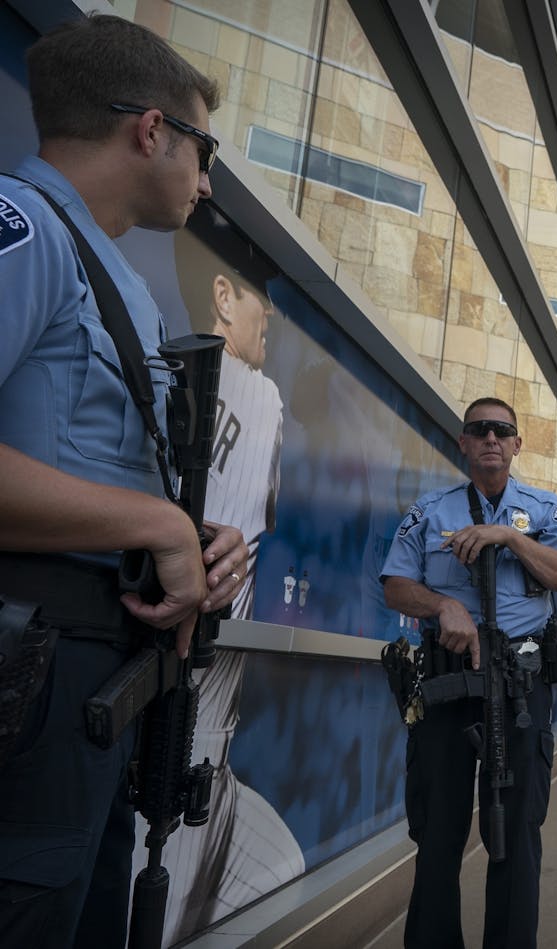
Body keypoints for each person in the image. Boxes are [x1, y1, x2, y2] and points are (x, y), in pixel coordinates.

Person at [0, 15, 249, 948]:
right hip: (34, 654)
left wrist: (191, 537)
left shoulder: (125, 283)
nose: (207, 177)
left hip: (96, 667)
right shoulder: (23, 229)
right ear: (151, 130)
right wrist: (155, 522)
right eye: (202, 148)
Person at [129, 201, 302, 944]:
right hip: (179, 720)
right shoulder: (247, 389)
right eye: (260, 298)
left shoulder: (235, 391)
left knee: (280, 869)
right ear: (225, 296)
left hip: (210, 749)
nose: (270, 320)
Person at [381, 397, 557, 949]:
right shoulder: (431, 512)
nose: (491, 438)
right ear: (464, 443)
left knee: (516, 834)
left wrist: (513, 539)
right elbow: (395, 584)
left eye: (502, 430)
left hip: (521, 687)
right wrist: (442, 607)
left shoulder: (545, 512)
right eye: (479, 430)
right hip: (448, 688)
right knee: (439, 832)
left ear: (517, 444)